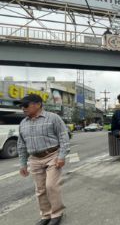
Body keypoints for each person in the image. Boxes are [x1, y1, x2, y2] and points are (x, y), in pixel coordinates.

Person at [15, 94, 70, 225]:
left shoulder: (53, 118)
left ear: (38, 104)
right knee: (40, 189)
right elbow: (21, 145)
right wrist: (23, 164)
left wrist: (62, 156)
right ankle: (46, 215)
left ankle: (57, 213)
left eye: (26, 105)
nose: (23, 108)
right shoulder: (23, 123)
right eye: (21, 106)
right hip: (34, 159)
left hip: (52, 156)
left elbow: (63, 137)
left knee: (50, 186)